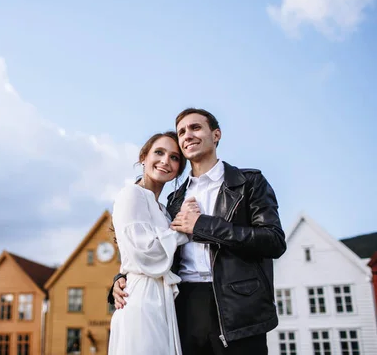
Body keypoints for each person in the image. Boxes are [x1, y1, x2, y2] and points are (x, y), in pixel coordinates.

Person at [109, 108, 287, 355]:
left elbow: (274, 241)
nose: (187, 135)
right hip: (182, 306)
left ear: (216, 135)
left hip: (236, 307)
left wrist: (201, 225)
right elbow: (150, 246)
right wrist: (121, 278)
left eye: (195, 128)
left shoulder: (249, 183)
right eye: (182, 131)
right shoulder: (173, 200)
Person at [108, 132, 191, 355]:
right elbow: (145, 252)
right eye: (159, 152)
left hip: (162, 299)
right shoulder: (131, 194)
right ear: (144, 156)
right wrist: (185, 230)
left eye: (174, 158)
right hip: (142, 298)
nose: (165, 161)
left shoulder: (163, 210)